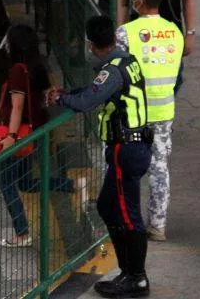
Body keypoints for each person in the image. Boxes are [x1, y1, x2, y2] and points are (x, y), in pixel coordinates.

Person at [48, 15, 152, 298]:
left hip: (125, 150)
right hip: (133, 147)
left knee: (129, 215)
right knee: (108, 206)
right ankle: (127, 273)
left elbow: (88, 101)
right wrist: (68, 92)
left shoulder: (112, 71)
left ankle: (136, 278)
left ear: (90, 44)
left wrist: (60, 99)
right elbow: (94, 91)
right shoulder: (126, 61)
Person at [116, 0, 183, 243]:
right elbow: (176, 73)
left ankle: (128, 223)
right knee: (159, 168)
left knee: (126, 167)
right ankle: (157, 225)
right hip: (164, 111)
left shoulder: (126, 33)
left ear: (139, 2)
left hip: (134, 113)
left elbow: (117, 72)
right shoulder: (174, 32)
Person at [0, 25, 74, 248]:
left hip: (19, 135)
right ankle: (72, 184)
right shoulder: (37, 66)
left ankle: (22, 233)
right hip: (35, 131)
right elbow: (47, 94)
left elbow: (17, 107)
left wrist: (10, 136)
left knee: (6, 182)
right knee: (26, 182)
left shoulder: (18, 70)